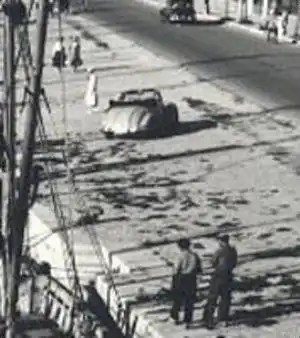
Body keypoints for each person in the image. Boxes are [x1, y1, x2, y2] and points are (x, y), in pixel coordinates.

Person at [203, 234, 237, 330]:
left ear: (221, 241)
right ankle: (223, 318)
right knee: (225, 298)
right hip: (228, 275)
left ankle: (208, 319)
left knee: (213, 297)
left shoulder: (219, 251)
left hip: (218, 275)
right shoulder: (233, 250)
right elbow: (234, 263)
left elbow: (213, 262)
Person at [170, 238, 202, 329]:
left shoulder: (179, 256)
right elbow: (199, 269)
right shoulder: (195, 255)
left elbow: (176, 269)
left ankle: (175, 317)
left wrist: (174, 281)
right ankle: (188, 320)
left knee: (178, 299)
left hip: (181, 278)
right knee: (189, 300)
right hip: (191, 279)